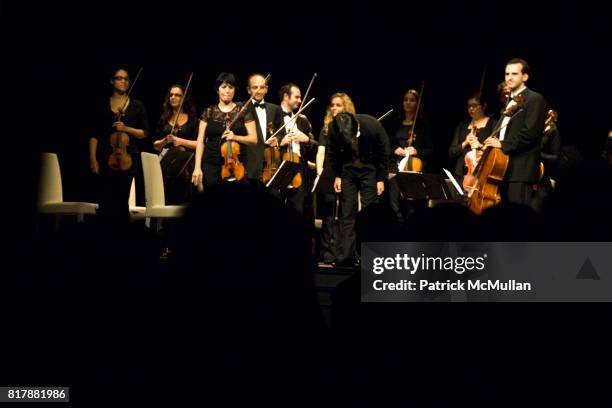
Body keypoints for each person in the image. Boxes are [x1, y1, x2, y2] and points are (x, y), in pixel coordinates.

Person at [327, 112, 388, 267]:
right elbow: (332, 153)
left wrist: (380, 179)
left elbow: (384, 154)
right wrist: (337, 175)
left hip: (369, 169)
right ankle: (346, 256)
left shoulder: (372, 125)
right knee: (348, 213)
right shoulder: (334, 128)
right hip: (348, 169)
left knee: (369, 214)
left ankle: (370, 257)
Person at [483, 58, 546, 206]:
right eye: (507, 74)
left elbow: (530, 133)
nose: (509, 77)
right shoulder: (509, 101)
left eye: (514, 74)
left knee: (518, 217)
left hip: (521, 170)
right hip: (503, 168)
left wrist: (502, 144)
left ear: (525, 77)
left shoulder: (535, 99)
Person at [90, 67, 149, 223]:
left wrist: (126, 128)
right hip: (105, 156)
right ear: (112, 81)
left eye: (126, 79)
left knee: (122, 199)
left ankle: (122, 236)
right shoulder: (103, 103)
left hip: (129, 158)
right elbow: (95, 134)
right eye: (119, 78)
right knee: (105, 199)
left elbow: (144, 133)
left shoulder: (137, 105)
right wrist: (93, 159)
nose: (123, 81)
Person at [191, 73, 257, 188]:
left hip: (236, 164)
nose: (227, 91)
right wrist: (197, 167)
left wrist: (235, 137)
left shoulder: (243, 111)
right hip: (211, 163)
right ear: (217, 90)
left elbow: (254, 139)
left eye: (231, 87)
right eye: (224, 87)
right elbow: (200, 141)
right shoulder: (208, 111)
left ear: (234, 90)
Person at [315, 93, 356, 266]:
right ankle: (328, 253)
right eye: (332, 105)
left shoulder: (351, 126)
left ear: (346, 108)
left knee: (345, 214)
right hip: (330, 171)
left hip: (346, 172)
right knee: (329, 214)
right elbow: (321, 151)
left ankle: (343, 252)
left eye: (338, 105)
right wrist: (319, 173)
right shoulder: (326, 127)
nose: (334, 109)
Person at [388, 88, 433, 224]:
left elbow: (431, 150)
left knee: (412, 206)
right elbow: (388, 146)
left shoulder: (423, 125)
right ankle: (397, 225)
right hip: (396, 166)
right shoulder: (395, 123)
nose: (408, 103)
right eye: (406, 100)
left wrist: (416, 151)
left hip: (415, 167)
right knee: (393, 203)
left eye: (412, 100)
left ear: (417, 104)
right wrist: (395, 150)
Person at [153, 84, 198, 204]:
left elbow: (200, 144)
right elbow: (155, 145)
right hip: (166, 166)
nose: (173, 97)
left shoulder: (193, 120)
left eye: (178, 95)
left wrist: (181, 141)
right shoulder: (163, 119)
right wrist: (165, 141)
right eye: (171, 95)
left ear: (184, 98)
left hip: (186, 167)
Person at [278, 83, 315, 215]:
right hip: (278, 164)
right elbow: (263, 139)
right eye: (297, 97)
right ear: (286, 96)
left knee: (297, 208)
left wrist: (306, 139)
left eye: (300, 98)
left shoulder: (303, 121)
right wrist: (280, 142)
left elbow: (314, 146)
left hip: (299, 165)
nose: (300, 101)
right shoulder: (273, 114)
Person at [244, 73, 283, 186]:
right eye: (255, 87)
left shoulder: (276, 109)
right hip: (249, 165)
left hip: (270, 164)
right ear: (248, 90)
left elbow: (281, 132)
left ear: (266, 89)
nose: (258, 91)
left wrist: (277, 140)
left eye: (262, 87)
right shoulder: (242, 108)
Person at [448, 92, 494, 183]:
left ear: (484, 106)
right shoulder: (462, 125)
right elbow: (452, 152)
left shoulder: (492, 124)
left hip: (481, 172)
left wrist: (480, 146)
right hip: (461, 172)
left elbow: (494, 151)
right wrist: (465, 142)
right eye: (469, 106)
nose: (471, 109)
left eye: (474, 105)